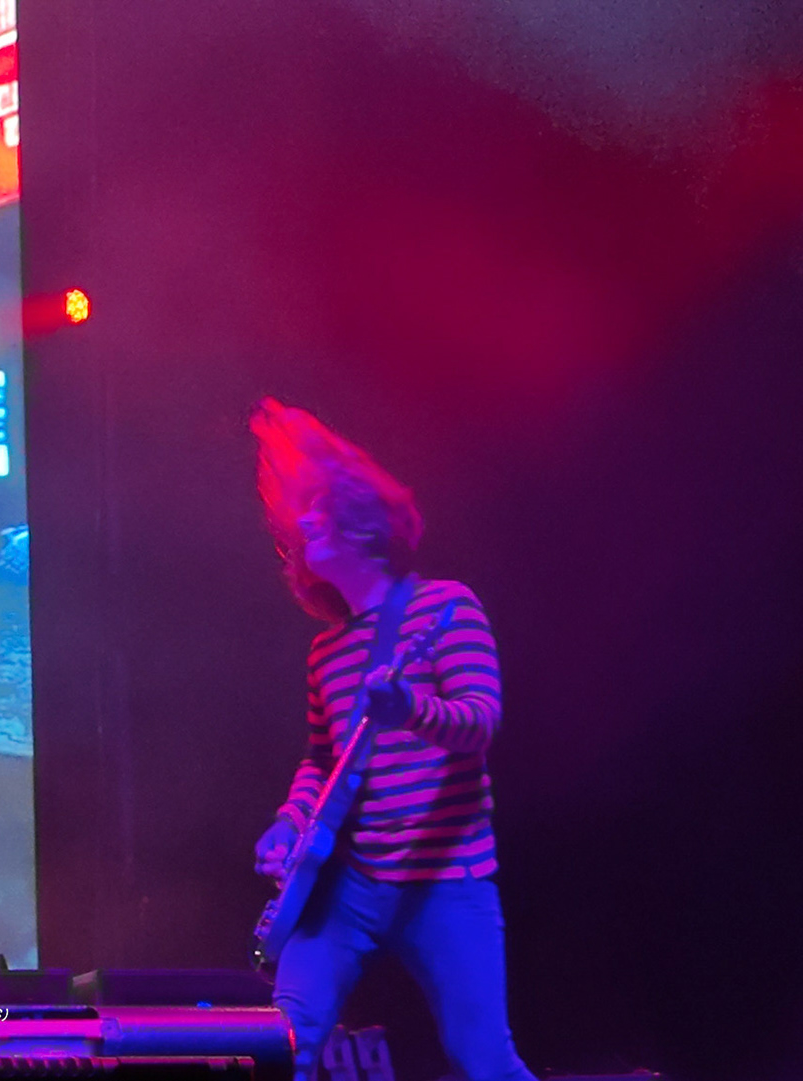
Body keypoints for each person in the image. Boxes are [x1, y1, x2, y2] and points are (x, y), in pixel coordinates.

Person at [248, 398, 537, 1081]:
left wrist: (409, 706)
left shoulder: (448, 607)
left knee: (483, 1056)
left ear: (359, 517)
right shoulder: (325, 652)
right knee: (281, 1043)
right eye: (298, 516)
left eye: (317, 506)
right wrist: (289, 824)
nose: (303, 522)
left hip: (447, 878)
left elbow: (479, 720)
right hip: (349, 882)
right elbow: (323, 758)